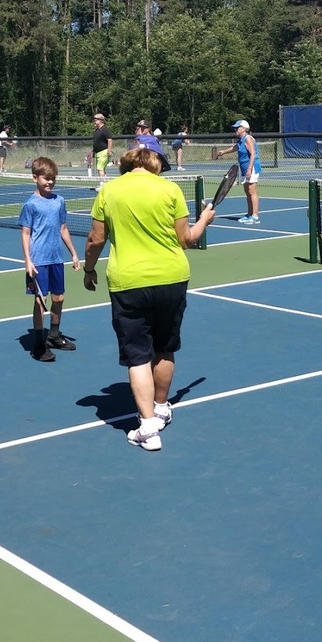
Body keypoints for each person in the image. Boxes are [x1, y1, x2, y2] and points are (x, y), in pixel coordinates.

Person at [83, 147, 216, 451]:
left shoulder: (110, 190)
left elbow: (95, 239)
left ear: (128, 165)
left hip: (128, 282)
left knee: (138, 355)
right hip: (172, 278)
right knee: (165, 348)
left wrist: (89, 270)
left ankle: (148, 428)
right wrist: (205, 219)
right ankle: (161, 406)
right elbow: (187, 240)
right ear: (154, 165)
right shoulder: (170, 189)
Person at [19, 157, 81, 361]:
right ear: (35, 178)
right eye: (46, 178)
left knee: (59, 298)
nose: (50, 182)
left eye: (53, 178)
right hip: (38, 260)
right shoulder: (30, 204)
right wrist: (28, 260)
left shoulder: (59, 201)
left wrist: (73, 252)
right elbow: (26, 233)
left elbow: (63, 228)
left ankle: (53, 335)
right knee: (40, 302)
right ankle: (38, 344)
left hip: (56, 259)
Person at [217, 120, 260, 223]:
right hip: (244, 168)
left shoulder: (248, 139)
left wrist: (249, 169)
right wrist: (223, 152)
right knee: (247, 191)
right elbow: (234, 148)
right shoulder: (241, 140)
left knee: (252, 191)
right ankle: (249, 214)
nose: (235, 130)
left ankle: (255, 216)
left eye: (238, 128)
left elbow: (253, 154)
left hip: (252, 168)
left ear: (244, 129)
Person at [92, 113, 114, 181]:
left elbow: (109, 140)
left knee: (100, 168)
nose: (94, 121)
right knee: (102, 169)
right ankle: (105, 183)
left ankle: (102, 184)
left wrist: (109, 151)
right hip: (98, 152)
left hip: (103, 152)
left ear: (101, 120)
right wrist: (94, 151)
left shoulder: (105, 129)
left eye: (96, 120)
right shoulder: (97, 130)